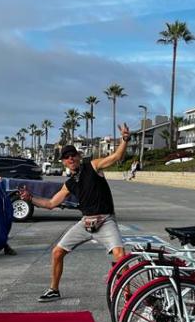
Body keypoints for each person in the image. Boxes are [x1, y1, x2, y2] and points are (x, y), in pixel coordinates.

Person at [19, 124, 130, 302]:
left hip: (105, 220)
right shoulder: (69, 183)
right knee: (57, 252)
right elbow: (50, 203)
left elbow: (116, 156)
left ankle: (128, 295)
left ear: (79, 156)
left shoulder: (93, 166)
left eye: (73, 155)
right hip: (85, 223)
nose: (70, 159)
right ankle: (54, 289)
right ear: (63, 161)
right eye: (66, 157)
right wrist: (30, 198)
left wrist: (124, 139)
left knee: (120, 255)